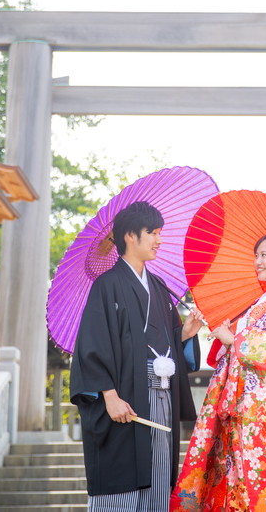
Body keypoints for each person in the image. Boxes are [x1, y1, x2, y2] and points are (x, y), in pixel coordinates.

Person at [171, 228, 266, 511]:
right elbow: (242, 345)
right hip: (241, 403)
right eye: (256, 255)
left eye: (264, 255)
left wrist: (234, 339)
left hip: (263, 411)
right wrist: (227, 335)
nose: (257, 262)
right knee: (234, 479)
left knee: (259, 482)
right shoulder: (263, 300)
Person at [70, 200, 204, 512]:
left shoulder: (158, 287)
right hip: (124, 397)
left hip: (161, 395)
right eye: (153, 233)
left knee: (159, 474)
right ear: (130, 236)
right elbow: (92, 345)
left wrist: (185, 334)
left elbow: (165, 346)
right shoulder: (107, 285)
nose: (159, 240)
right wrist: (109, 396)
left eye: (159, 233)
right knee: (123, 476)